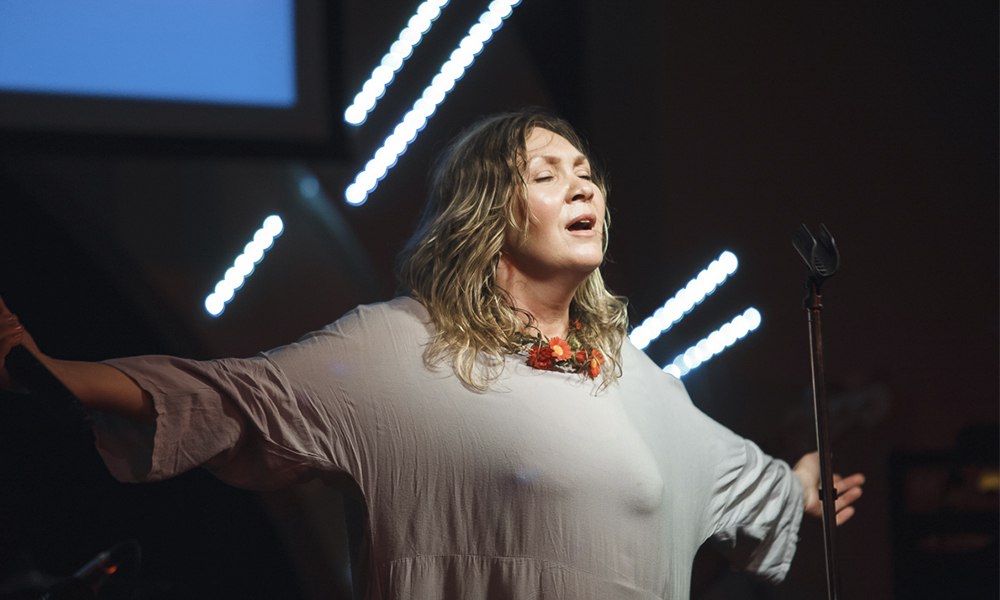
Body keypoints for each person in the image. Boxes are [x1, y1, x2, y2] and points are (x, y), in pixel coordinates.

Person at [0, 109, 864, 599]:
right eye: (546, 173)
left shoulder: (641, 384)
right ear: (489, 216)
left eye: (586, 172)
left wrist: (800, 483)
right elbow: (234, 398)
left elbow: (743, 480)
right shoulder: (405, 350)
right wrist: (45, 370)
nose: (582, 184)